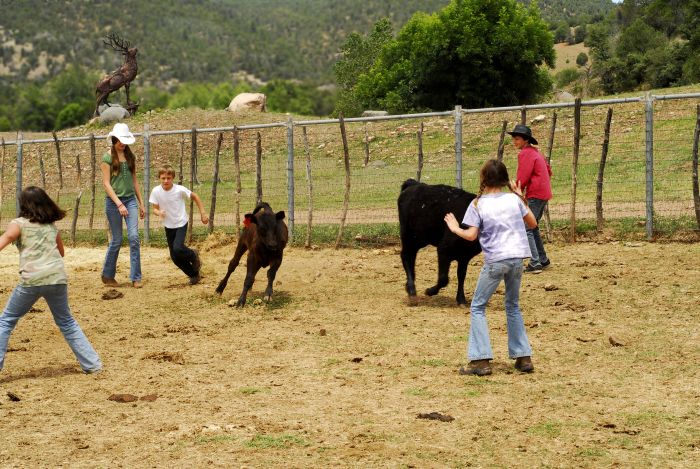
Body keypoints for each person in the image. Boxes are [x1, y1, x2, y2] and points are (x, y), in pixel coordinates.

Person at [444, 159, 537, 376]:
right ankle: (523, 357)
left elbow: (471, 235)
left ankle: (480, 360)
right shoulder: (514, 200)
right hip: (517, 259)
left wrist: (455, 228)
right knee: (512, 305)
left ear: (483, 178)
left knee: (477, 306)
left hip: (496, 260)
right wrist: (520, 195)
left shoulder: (478, 203)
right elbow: (532, 223)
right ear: (505, 179)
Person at [0, 186, 102, 374]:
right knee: (67, 322)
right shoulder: (51, 227)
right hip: (57, 279)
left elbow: (6, 238)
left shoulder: (18, 224)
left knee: (6, 321)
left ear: (23, 204)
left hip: (31, 280)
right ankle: (92, 365)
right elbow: (61, 253)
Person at [101, 122, 146, 288]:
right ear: (114, 139)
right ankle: (107, 275)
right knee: (117, 240)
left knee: (134, 237)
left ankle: (136, 277)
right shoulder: (107, 158)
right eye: (120, 140)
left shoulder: (130, 157)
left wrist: (141, 203)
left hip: (130, 200)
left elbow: (134, 181)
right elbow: (106, 184)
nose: (122, 143)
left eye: (125, 140)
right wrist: (119, 204)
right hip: (113, 203)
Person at [149, 165, 208, 285]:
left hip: (181, 223)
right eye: (163, 178)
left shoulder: (179, 189)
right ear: (159, 178)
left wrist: (203, 213)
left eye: (169, 178)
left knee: (178, 248)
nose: (166, 181)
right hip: (168, 225)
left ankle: (193, 255)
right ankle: (194, 275)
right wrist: (159, 212)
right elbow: (154, 209)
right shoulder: (156, 191)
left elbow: (195, 196)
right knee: (175, 257)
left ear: (173, 178)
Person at [508, 124, 552, 274]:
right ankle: (542, 259)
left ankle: (535, 262)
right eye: (514, 139)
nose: (514, 142)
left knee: (527, 226)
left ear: (525, 140)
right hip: (543, 192)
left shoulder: (525, 154)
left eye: (517, 139)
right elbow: (548, 170)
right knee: (533, 226)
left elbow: (523, 177)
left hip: (535, 194)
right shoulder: (535, 152)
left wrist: (516, 189)